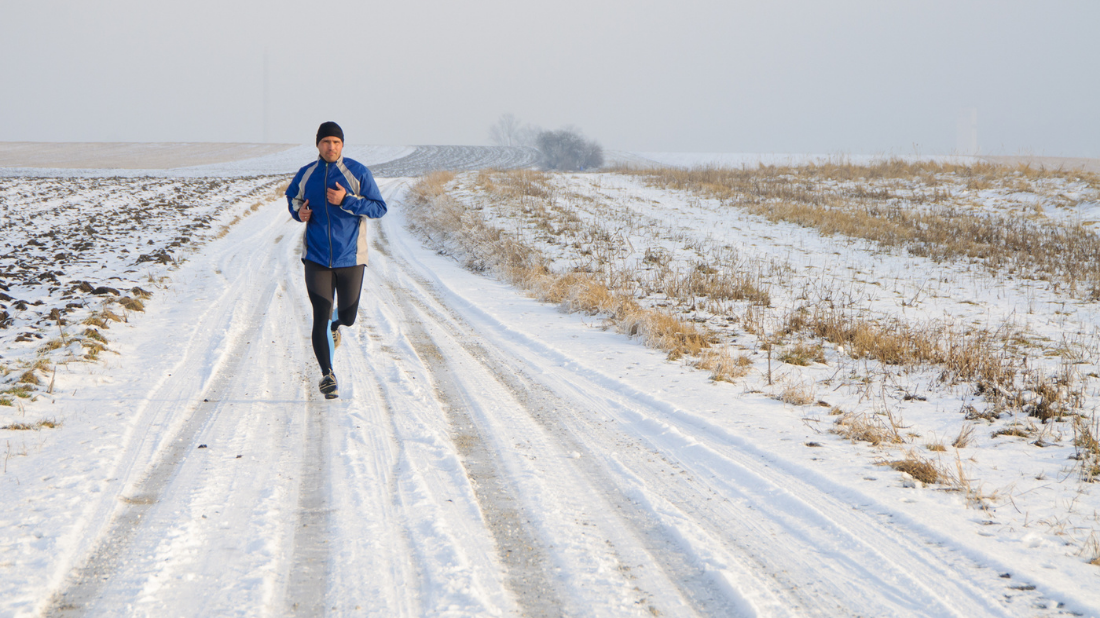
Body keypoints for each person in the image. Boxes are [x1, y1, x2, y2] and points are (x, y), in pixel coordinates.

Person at [286, 121, 387, 399]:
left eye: (336, 142)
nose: (331, 147)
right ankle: (327, 375)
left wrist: (348, 200)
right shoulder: (307, 174)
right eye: (326, 142)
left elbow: (379, 207)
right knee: (319, 313)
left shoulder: (357, 172)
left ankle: (336, 326)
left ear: (342, 145)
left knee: (348, 317)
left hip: (350, 257)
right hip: (316, 257)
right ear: (318, 144)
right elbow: (293, 198)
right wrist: (299, 214)